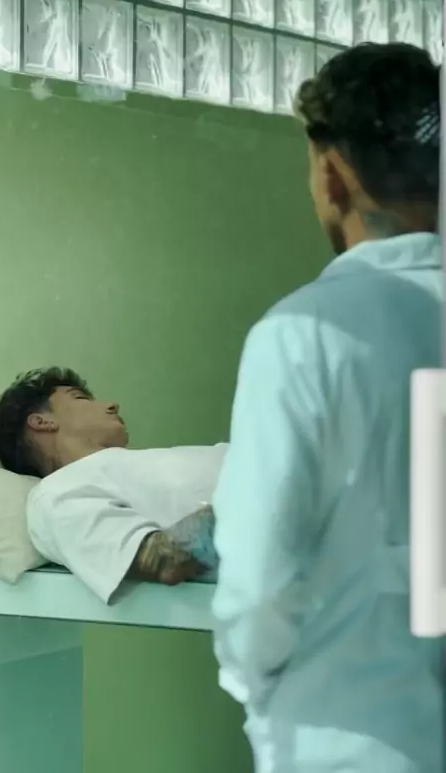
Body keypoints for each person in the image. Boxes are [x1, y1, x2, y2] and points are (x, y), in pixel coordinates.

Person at [212, 42, 443, 773]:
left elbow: (258, 582)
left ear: (332, 174)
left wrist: (259, 692)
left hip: (346, 739)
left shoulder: (304, 335)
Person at [0, 368, 226, 602]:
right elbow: (166, 560)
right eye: (80, 398)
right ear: (41, 421)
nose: (113, 405)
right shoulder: (54, 494)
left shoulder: (132, 468)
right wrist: (245, 497)